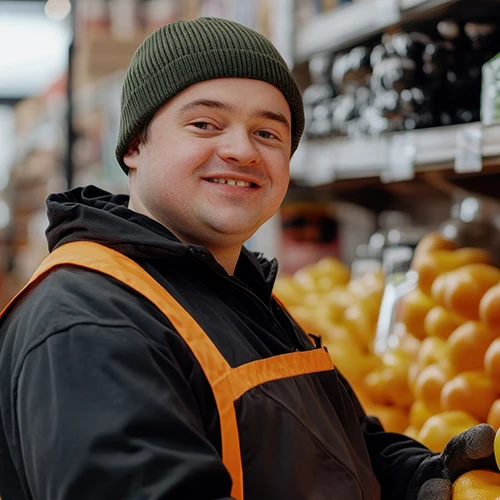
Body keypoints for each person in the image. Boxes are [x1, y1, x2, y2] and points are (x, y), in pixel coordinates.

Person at [0, 17, 497, 500]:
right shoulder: (90, 321)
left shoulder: (229, 288)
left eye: (268, 133)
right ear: (134, 144)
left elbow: (326, 446)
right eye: (204, 124)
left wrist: (417, 478)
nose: (241, 150)